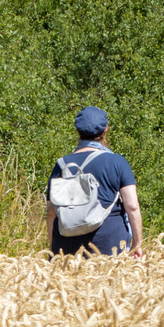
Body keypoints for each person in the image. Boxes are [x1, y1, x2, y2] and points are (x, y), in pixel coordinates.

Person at [47, 106, 143, 257]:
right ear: (106, 131)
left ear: (78, 132)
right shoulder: (117, 162)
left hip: (66, 246)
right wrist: (137, 244)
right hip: (110, 244)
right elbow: (132, 206)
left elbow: (51, 212)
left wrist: (53, 250)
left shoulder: (61, 165)